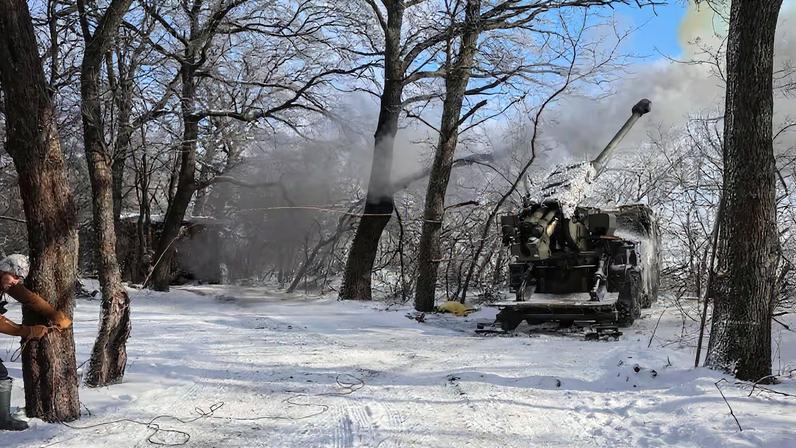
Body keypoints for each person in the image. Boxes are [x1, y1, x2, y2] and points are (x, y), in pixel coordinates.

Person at [0, 254, 72, 431]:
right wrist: (28, 331)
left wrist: (54, 314)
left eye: (19, 279)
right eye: (14, 277)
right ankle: (2, 420)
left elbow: (29, 298)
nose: (16, 282)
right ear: (4, 270)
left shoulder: (6, 282)